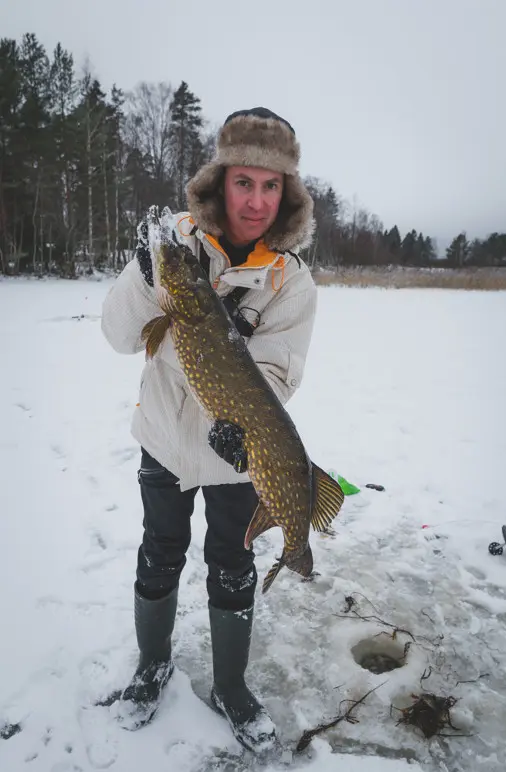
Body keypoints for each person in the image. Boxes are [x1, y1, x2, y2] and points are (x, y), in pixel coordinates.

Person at [101, 107, 317, 751]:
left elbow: (277, 374)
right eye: (244, 182)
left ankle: (230, 685)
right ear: (221, 182)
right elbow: (118, 335)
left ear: (287, 195)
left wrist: (240, 423)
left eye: (271, 185)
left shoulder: (291, 280)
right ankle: (151, 668)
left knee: (231, 561)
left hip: (238, 451)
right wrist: (147, 273)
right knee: (160, 550)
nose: (256, 201)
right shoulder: (177, 245)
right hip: (165, 438)